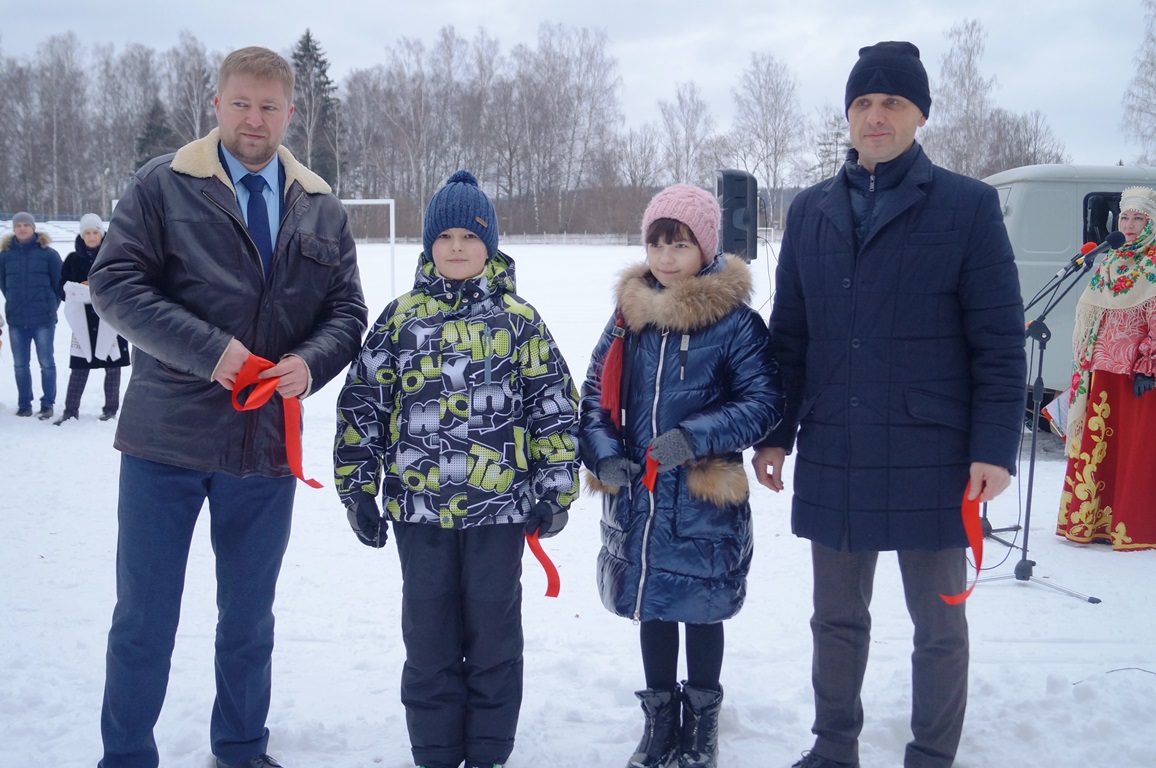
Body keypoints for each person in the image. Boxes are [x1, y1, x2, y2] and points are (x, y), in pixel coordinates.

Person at [88, 46, 367, 768]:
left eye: (269, 106)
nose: (254, 118)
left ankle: (241, 750)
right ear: (217, 105)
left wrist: (311, 364)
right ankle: (125, 757)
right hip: (165, 444)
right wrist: (213, 353)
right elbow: (115, 285)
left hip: (264, 449)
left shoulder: (322, 207)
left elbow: (347, 312)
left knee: (248, 622)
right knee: (144, 619)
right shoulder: (163, 185)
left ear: (290, 113)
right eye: (241, 103)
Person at [750, 42, 1027, 768]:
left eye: (893, 103)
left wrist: (994, 449)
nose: (876, 117)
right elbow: (791, 337)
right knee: (836, 618)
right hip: (836, 444)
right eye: (864, 103)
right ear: (849, 114)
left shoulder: (968, 206)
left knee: (938, 623)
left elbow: (998, 342)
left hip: (933, 453)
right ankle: (833, 743)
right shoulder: (809, 211)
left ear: (920, 114)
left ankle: (931, 754)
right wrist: (776, 435)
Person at [333, 170, 579, 768]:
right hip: (421, 514)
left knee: (494, 638)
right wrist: (358, 489)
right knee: (429, 639)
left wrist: (555, 489)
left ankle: (490, 750)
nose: (458, 247)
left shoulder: (520, 321)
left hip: (499, 513)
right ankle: (437, 751)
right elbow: (365, 404)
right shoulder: (399, 320)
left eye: (470, 235)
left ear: (489, 242)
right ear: (428, 245)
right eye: (444, 236)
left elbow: (553, 406)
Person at [580, 184, 784, 768]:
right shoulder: (628, 318)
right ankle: (660, 719)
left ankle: (702, 721)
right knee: (652, 604)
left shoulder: (735, 324)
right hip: (640, 496)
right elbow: (596, 393)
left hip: (700, 497)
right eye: (656, 244)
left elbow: (763, 400)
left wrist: (694, 436)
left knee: (701, 607)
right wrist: (602, 452)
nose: (666, 257)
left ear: (707, 249)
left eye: (680, 245)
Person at [1057, 186, 1156, 551]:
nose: (1129, 225)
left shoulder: (1155, 262)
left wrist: (1149, 364)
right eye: (1125, 217)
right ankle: (1094, 521)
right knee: (1100, 446)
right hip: (1101, 370)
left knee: (1134, 449)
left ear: (1151, 223)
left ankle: (1133, 525)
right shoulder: (1111, 260)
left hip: (1137, 375)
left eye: (1138, 218)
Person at [54, 213, 129, 425]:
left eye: (95, 232)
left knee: (112, 366)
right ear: (81, 235)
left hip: (109, 318)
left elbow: (123, 283)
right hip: (83, 320)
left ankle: (111, 409)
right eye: (87, 232)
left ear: (102, 233)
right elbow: (61, 287)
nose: (91, 236)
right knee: (80, 366)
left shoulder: (113, 255)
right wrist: (75, 290)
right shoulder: (72, 259)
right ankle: (70, 410)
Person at [0, 211, 63, 419]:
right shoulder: (5, 256)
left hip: (43, 319)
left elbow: (59, 285)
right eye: (18, 225)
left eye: (26, 225)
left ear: (33, 228)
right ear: (14, 229)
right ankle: (24, 404)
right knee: (20, 365)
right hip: (16, 320)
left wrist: (50, 307)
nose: (22, 228)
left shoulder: (48, 254)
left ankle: (47, 404)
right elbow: (4, 285)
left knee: (46, 363)